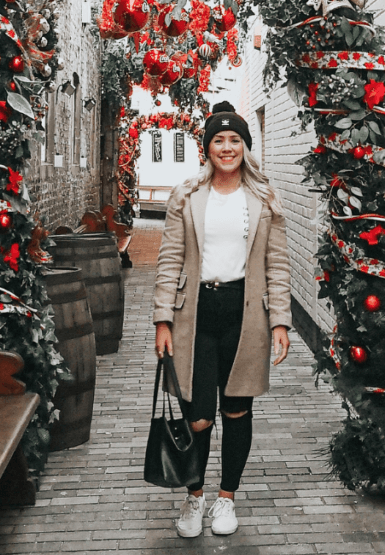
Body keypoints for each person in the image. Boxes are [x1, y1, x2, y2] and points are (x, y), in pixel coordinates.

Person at [153, 101, 292, 538]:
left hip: (244, 314)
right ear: (207, 147)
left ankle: (226, 498)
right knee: (197, 415)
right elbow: (170, 258)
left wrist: (280, 322)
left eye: (235, 140)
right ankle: (194, 496)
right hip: (194, 316)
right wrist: (162, 319)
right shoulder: (187, 196)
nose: (227, 147)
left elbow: (277, 263)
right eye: (218, 140)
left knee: (236, 409)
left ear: (245, 147)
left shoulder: (265, 198)